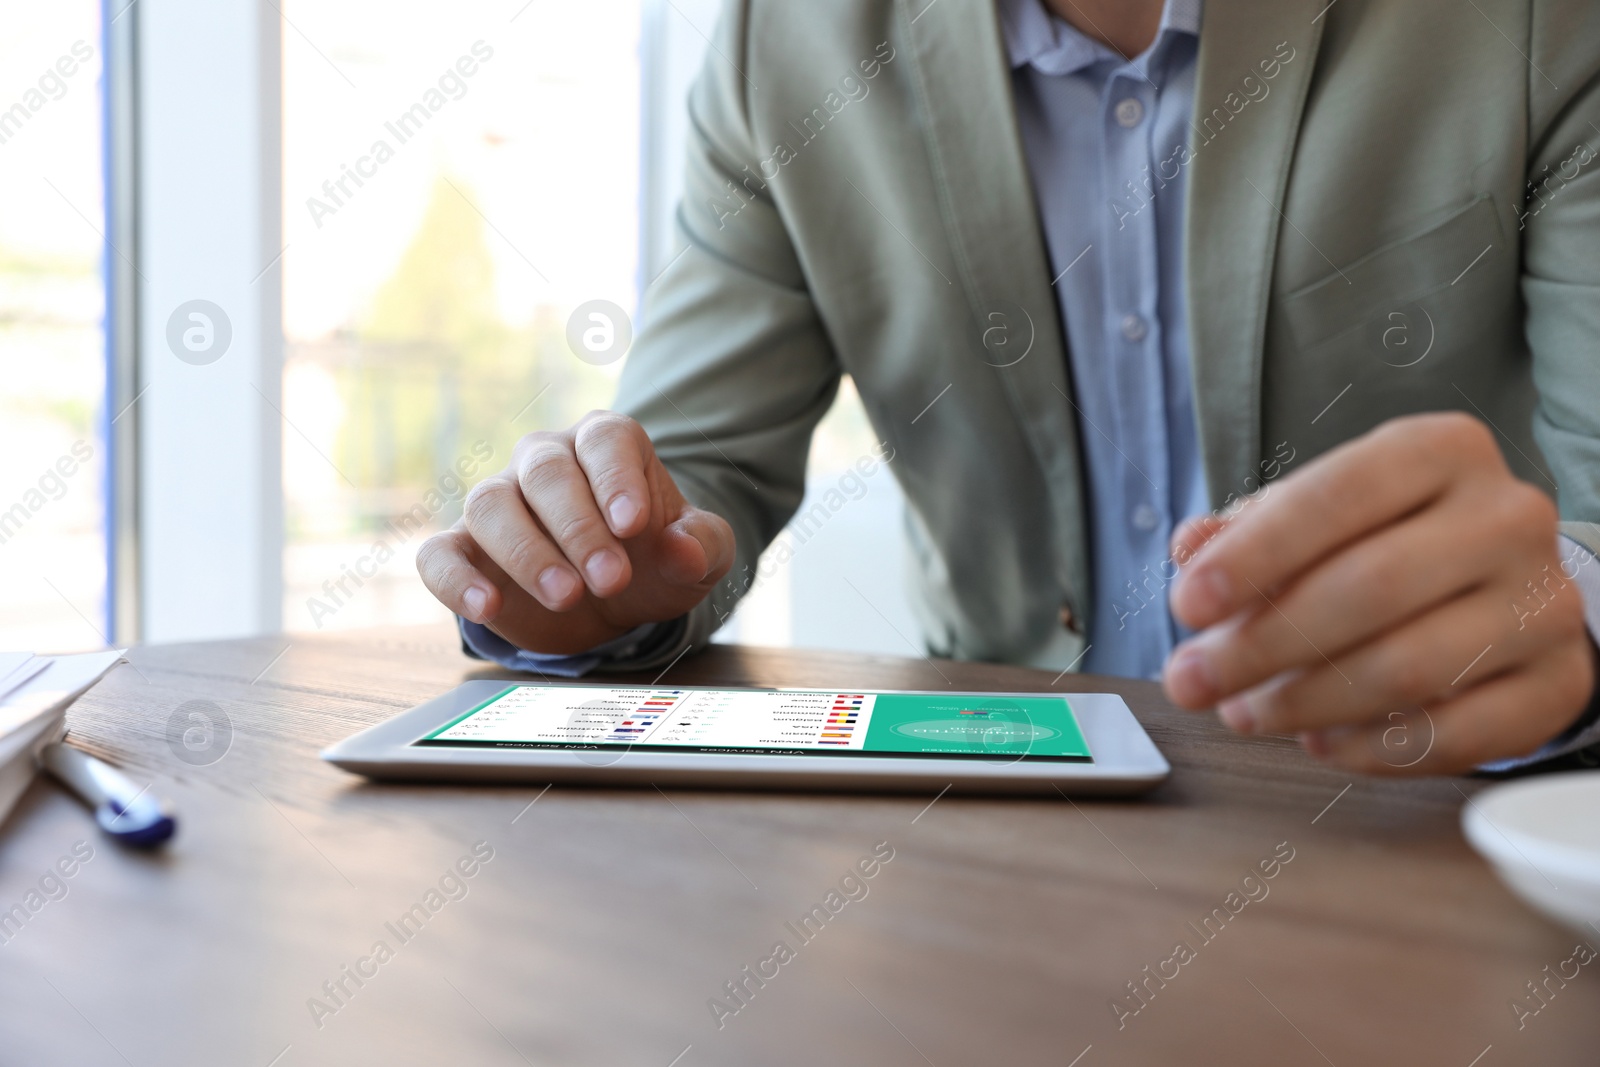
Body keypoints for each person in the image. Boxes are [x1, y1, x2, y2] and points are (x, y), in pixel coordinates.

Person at [416, 0, 1600, 775]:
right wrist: (589, 566)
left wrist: (1564, 610)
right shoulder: (784, 44)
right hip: (978, 818)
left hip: (1411, 812)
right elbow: (684, 477)